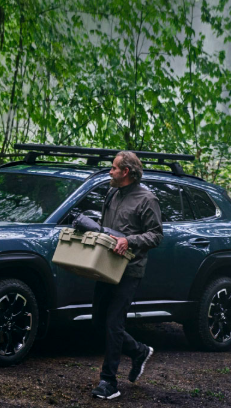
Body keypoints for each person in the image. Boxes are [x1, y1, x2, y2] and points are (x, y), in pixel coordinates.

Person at [91, 151, 164, 400]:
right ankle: (139, 351)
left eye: (113, 168)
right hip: (105, 266)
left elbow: (156, 235)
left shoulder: (147, 199)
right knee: (99, 321)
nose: (109, 171)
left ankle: (109, 382)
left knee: (114, 324)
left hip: (130, 270)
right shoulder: (112, 193)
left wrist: (129, 240)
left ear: (126, 172)